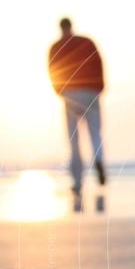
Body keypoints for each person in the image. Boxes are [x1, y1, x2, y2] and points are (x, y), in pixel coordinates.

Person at [48, 18, 106, 210]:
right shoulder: (86, 42)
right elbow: (98, 62)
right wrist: (99, 88)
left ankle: (78, 181)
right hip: (90, 92)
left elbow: (53, 70)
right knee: (95, 134)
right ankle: (98, 161)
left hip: (71, 94)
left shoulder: (56, 46)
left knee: (74, 140)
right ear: (71, 27)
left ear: (61, 28)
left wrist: (60, 91)